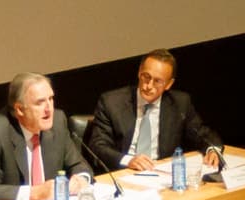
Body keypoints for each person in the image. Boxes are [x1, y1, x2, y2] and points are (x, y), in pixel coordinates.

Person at [0, 70, 104, 200]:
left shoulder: (57, 121)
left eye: (50, 99)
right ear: (19, 109)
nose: (49, 109)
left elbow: (79, 164)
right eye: (40, 103)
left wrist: (81, 179)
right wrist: (35, 193)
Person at [85, 49, 220, 174]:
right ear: (139, 72)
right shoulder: (112, 102)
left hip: (162, 173)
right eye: (146, 76)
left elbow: (203, 133)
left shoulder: (180, 103)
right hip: (125, 172)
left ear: (168, 84)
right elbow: (98, 146)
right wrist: (128, 160)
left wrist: (212, 149)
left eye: (157, 81)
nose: (148, 86)